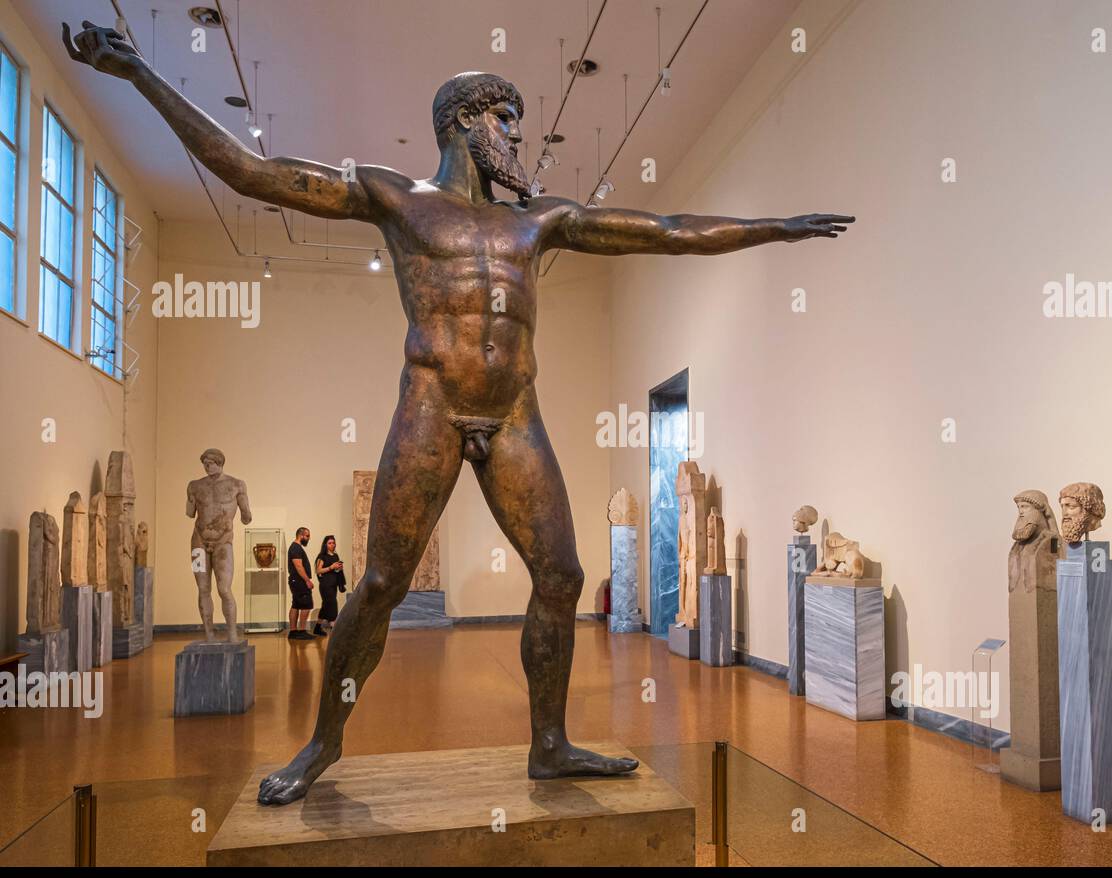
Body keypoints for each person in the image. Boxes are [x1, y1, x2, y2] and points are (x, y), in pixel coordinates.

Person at [62, 23, 854, 805]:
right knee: (379, 585)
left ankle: (548, 745)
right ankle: (322, 743)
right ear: (464, 123)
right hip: (432, 406)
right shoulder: (395, 197)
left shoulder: (538, 219)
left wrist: (772, 229)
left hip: (513, 414)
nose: (516, 137)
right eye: (505, 121)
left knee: (562, 574)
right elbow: (251, 172)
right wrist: (138, 73)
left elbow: (668, 232)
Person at [313, 535, 347, 637]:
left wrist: (338, 568)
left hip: (333, 585)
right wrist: (331, 567)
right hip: (325, 585)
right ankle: (334, 629)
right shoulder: (322, 556)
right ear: (325, 544)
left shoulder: (335, 556)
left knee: (325, 606)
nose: (332, 544)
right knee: (332, 604)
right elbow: (318, 571)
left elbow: (335, 571)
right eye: (330, 543)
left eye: (333, 542)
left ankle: (317, 628)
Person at [287, 527, 313, 639]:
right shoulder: (296, 548)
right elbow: (298, 566)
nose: (308, 538)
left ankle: (293, 632)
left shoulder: (296, 547)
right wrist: (307, 580)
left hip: (296, 581)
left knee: (296, 605)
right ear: (301, 535)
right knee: (306, 605)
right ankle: (301, 631)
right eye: (307, 536)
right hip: (299, 581)